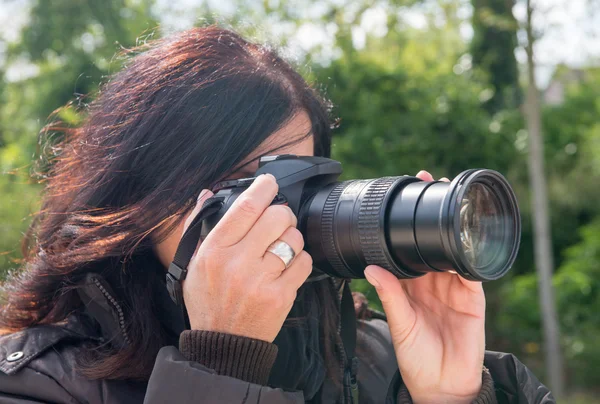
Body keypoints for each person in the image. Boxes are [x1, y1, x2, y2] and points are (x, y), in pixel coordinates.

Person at [0, 26, 554, 404]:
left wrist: (452, 396)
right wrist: (221, 366)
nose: (280, 215)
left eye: (299, 181)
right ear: (140, 201)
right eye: (244, 186)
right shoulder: (39, 384)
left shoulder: (384, 361)